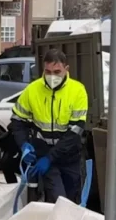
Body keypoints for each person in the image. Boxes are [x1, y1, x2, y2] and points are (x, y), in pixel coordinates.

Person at [9, 49, 89, 202]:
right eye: (48, 72)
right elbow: (17, 121)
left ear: (66, 69)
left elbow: (74, 132)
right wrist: (24, 145)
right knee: (58, 199)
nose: (52, 76)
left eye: (57, 72)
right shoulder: (32, 90)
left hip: (69, 156)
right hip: (43, 154)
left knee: (71, 202)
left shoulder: (78, 91)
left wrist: (50, 158)